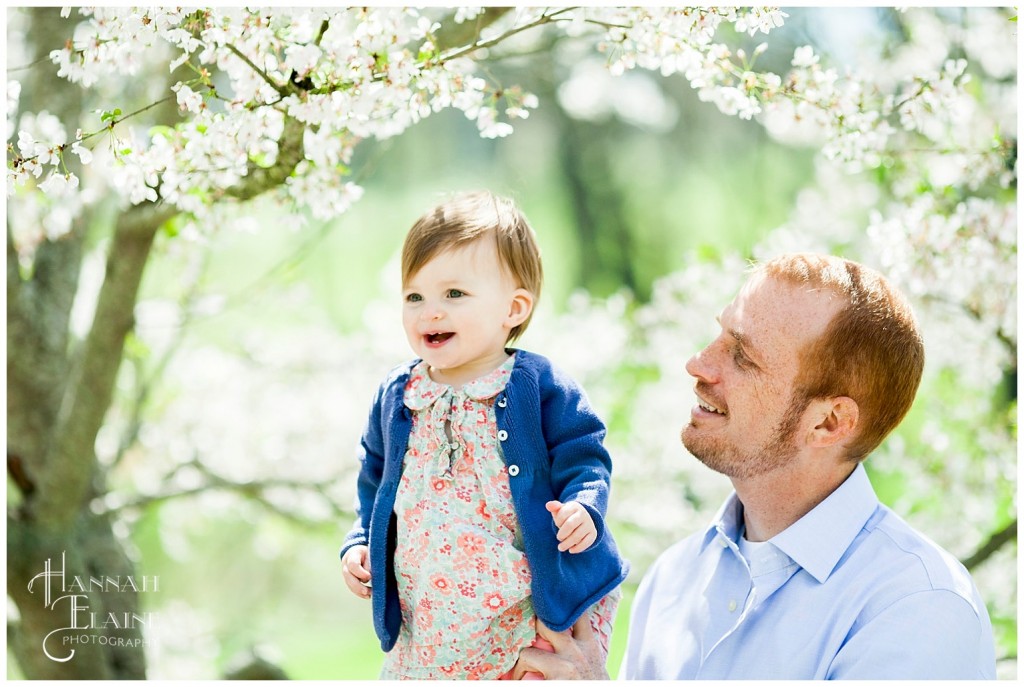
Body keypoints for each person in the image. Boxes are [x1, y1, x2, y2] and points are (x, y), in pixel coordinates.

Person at [512, 253, 997, 680]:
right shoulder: (672, 580)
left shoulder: (917, 607)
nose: (698, 364)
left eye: (743, 356)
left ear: (828, 423)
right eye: (718, 334)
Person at [339, 190, 629, 679]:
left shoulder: (535, 385)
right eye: (415, 296)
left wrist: (584, 506)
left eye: (454, 294)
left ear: (513, 308)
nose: (430, 311)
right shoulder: (399, 395)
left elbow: (585, 455)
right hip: (430, 621)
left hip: (523, 612)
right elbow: (373, 477)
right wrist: (359, 542)